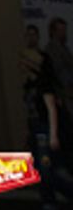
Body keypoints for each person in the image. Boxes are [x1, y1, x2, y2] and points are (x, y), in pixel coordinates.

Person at [25, 49, 73, 207]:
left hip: (44, 132)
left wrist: (53, 135)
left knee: (46, 170)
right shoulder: (31, 83)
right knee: (41, 170)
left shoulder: (44, 84)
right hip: (37, 130)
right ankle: (48, 201)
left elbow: (51, 108)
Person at [48, 17, 73, 93]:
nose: (63, 33)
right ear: (53, 32)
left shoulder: (64, 48)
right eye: (61, 30)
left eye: (64, 30)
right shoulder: (51, 49)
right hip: (63, 91)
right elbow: (59, 71)